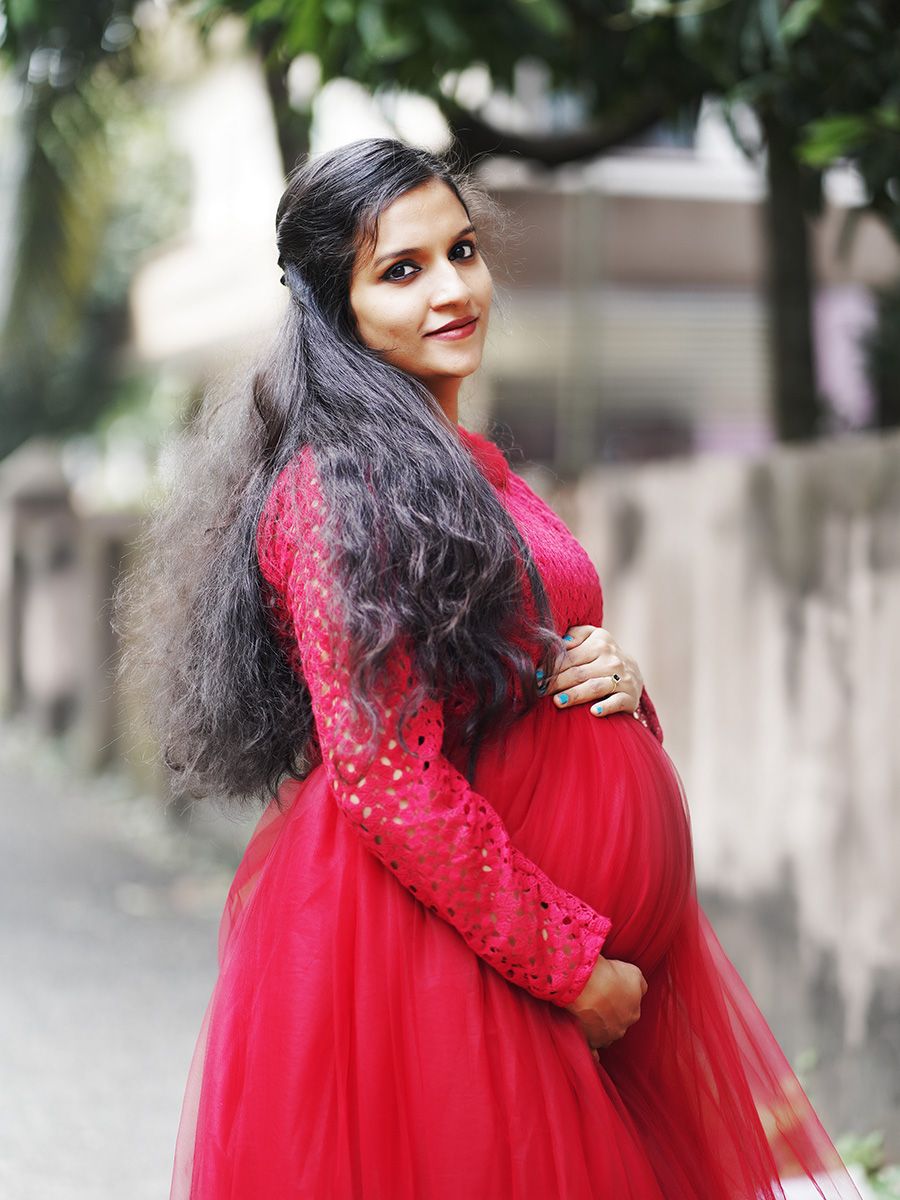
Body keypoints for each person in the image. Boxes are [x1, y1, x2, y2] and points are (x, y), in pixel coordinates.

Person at [125, 137, 863, 1199]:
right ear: (337, 309)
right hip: (445, 970)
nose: (454, 289)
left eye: (461, 250)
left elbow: (498, 675)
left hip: (536, 965)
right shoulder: (338, 491)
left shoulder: (470, 470)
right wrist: (570, 970)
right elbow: (389, 779)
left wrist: (614, 679)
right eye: (402, 270)